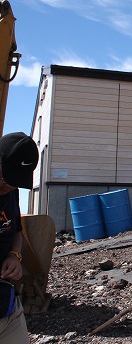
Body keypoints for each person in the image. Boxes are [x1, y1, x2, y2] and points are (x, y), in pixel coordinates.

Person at [0, 132, 39, 343]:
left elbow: (15, 230)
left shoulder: (10, 191)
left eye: (14, 183)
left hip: (7, 306)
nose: (7, 187)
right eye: (4, 179)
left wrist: (14, 256)